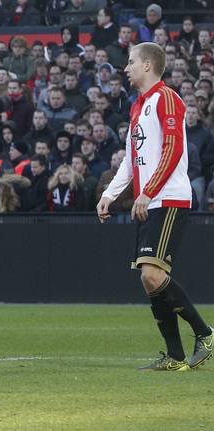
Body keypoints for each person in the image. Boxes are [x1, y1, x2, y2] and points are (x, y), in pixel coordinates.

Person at [97, 42, 213, 371]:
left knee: (151, 274)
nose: (126, 68)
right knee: (150, 278)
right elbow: (131, 161)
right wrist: (109, 193)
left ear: (148, 65)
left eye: (131, 62)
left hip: (170, 197)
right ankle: (175, 356)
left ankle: (205, 333)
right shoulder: (138, 107)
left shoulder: (167, 98)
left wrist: (147, 191)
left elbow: (174, 148)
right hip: (150, 199)